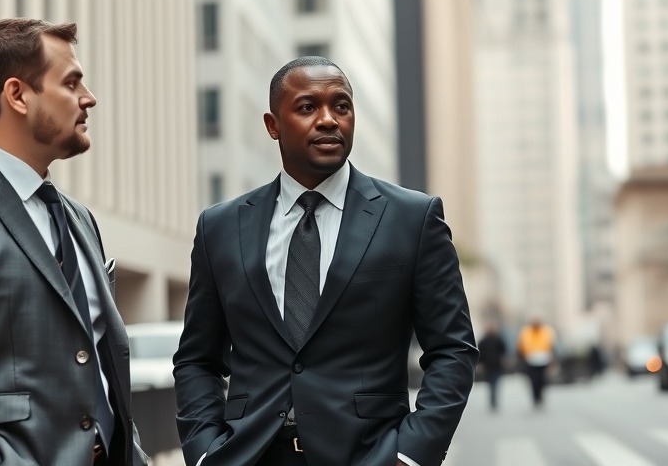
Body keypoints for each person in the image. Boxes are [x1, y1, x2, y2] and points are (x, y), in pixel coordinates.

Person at [173, 56, 478, 466]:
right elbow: (197, 358)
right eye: (306, 107)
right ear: (272, 125)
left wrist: (410, 455)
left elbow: (453, 349)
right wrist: (205, 450)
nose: (329, 119)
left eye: (341, 106)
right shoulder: (220, 227)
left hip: (371, 456)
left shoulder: (412, 218)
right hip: (249, 455)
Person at [0, 18, 148, 465]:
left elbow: (97, 365)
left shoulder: (79, 219)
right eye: (71, 82)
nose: (88, 97)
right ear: (17, 95)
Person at [517, 315, 556, 409]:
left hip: (543, 359)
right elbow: (521, 346)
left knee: (542, 380)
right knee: (533, 380)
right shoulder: (526, 332)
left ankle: (540, 395)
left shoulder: (546, 331)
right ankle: (535, 397)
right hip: (530, 360)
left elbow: (551, 345)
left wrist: (551, 358)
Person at [477, 321, 507, 411]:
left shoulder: (498, 339)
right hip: (488, 366)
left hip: (497, 365)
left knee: (495, 383)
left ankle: (494, 400)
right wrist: (480, 364)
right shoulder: (483, 341)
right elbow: (479, 353)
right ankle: (492, 400)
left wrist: (504, 360)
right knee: (491, 384)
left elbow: (503, 351)